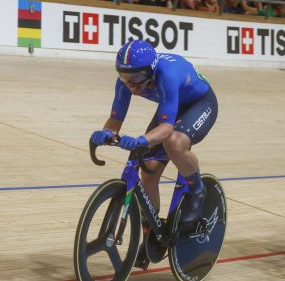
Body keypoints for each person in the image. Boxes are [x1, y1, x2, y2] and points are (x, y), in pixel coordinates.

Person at [91, 39, 218, 228]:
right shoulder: (125, 82)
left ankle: (197, 190)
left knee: (174, 143)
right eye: (124, 76)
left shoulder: (167, 75)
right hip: (171, 103)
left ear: (151, 70)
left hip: (200, 103)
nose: (130, 84)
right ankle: (151, 233)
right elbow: (115, 120)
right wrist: (106, 134)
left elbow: (166, 129)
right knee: (149, 168)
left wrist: (141, 140)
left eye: (136, 77)